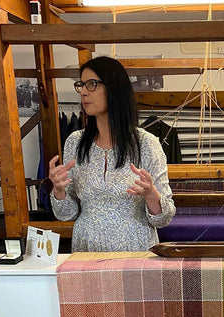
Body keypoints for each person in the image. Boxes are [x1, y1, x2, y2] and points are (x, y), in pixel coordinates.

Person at [48, 56, 176, 252]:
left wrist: (151, 195)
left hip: (135, 252)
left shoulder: (146, 144)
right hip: (87, 251)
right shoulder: (75, 142)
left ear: (114, 88)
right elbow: (67, 214)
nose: (83, 92)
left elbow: (164, 218)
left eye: (92, 84)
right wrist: (59, 190)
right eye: (81, 85)